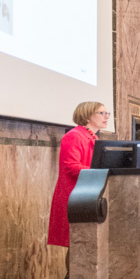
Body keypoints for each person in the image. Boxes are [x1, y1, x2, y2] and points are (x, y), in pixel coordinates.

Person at [48, 102, 110, 254]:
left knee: (86, 245)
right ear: (87, 115)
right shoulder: (74, 136)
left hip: (88, 193)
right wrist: (103, 171)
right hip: (75, 195)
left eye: (107, 113)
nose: (107, 116)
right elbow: (71, 167)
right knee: (77, 245)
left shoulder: (92, 136)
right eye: (102, 113)